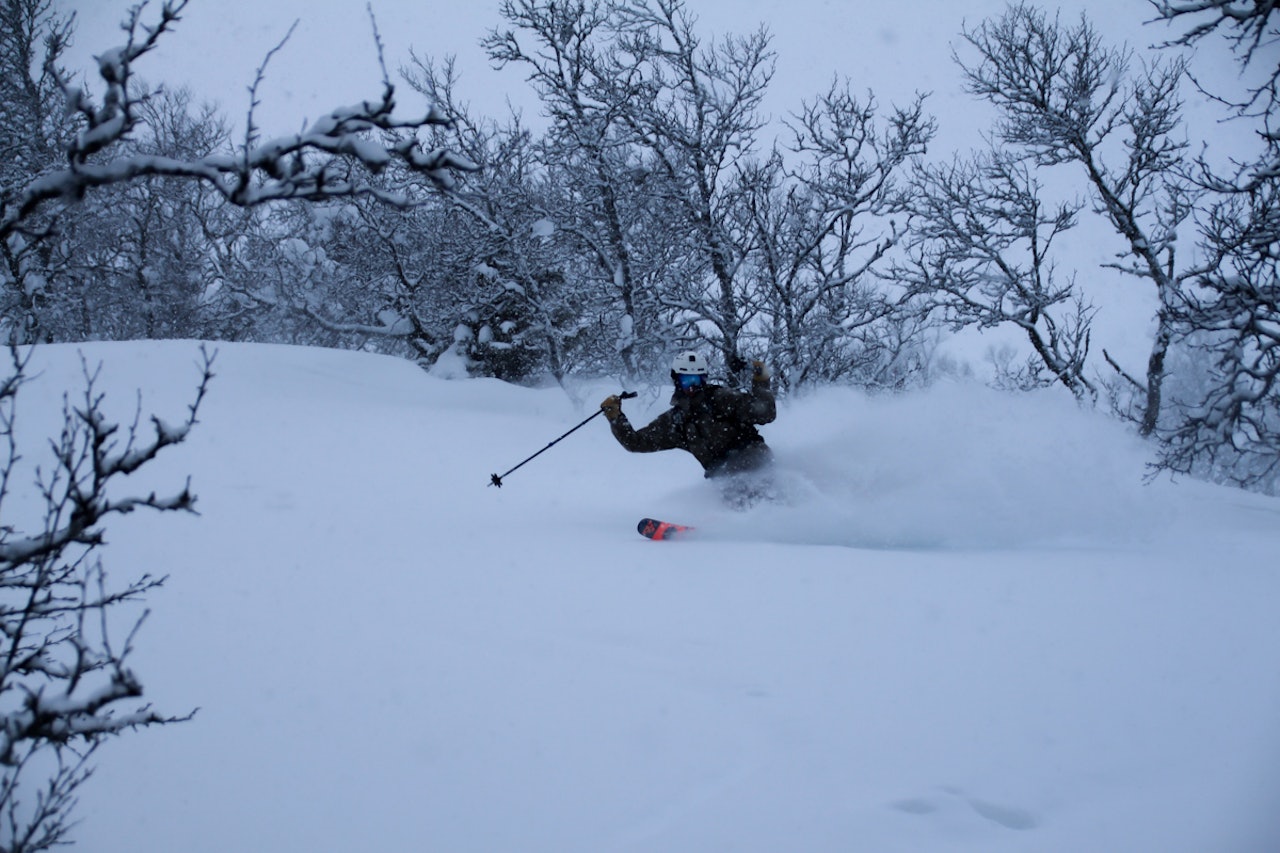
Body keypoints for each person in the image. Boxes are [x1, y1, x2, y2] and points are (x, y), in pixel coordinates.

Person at [600, 351, 776, 481]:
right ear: (677, 381)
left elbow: (765, 413)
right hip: (721, 476)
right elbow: (636, 442)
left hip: (753, 461)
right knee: (722, 483)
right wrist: (616, 418)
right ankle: (727, 525)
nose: (692, 386)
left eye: (696, 380)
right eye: (686, 380)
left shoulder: (721, 398)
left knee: (737, 480)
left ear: (703, 379)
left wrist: (761, 382)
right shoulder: (676, 421)